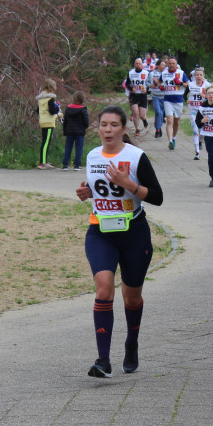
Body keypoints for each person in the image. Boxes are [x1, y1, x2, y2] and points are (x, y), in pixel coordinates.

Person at [76, 105, 164, 378]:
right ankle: (103, 360)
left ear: (124, 129)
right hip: (100, 231)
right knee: (104, 289)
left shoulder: (136, 157)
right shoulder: (92, 155)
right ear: (98, 128)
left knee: (132, 297)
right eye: (104, 124)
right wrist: (86, 192)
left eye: (114, 125)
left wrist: (129, 184)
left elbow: (158, 197)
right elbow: (99, 189)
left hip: (134, 234)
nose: (108, 130)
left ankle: (132, 342)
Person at [158, 58, 186, 150]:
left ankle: (174, 138)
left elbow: (188, 84)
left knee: (176, 121)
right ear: (167, 64)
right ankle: (170, 141)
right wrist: (161, 87)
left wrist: (180, 83)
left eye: (173, 63)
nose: (171, 65)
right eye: (169, 63)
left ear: (176, 64)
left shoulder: (181, 73)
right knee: (169, 120)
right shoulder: (164, 73)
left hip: (178, 100)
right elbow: (159, 82)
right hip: (167, 99)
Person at [186, 67, 211, 161]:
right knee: (195, 130)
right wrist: (187, 100)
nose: (199, 76)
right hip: (194, 111)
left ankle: (200, 140)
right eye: (197, 75)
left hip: (204, 112)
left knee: (202, 131)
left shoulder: (207, 85)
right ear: (194, 76)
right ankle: (197, 152)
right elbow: (184, 95)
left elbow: (212, 98)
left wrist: (205, 96)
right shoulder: (190, 85)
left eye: (201, 75)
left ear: (203, 76)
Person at [61, 91, 90, 170]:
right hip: (80, 132)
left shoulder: (68, 108)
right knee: (79, 148)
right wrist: (84, 127)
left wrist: (65, 131)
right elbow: (86, 122)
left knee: (68, 148)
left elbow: (65, 121)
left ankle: (65, 165)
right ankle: (76, 165)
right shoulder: (83, 110)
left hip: (69, 131)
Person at [36, 78, 61, 169]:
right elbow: (52, 111)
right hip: (49, 122)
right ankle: (42, 163)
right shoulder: (51, 98)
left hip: (42, 121)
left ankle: (45, 161)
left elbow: (38, 110)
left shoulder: (41, 99)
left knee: (45, 141)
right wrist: (57, 106)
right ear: (52, 87)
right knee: (46, 142)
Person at [126, 59, 150, 137]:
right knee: (135, 113)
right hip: (134, 95)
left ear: (142, 65)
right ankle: (137, 129)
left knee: (142, 115)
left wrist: (146, 89)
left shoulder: (146, 73)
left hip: (143, 95)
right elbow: (127, 84)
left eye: (139, 63)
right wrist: (131, 89)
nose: (138, 65)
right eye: (136, 63)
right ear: (134, 64)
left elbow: (150, 84)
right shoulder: (130, 73)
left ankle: (144, 120)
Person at [149, 58, 165, 138]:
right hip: (155, 95)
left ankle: (158, 127)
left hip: (164, 96)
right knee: (158, 112)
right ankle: (158, 129)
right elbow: (147, 82)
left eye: (164, 65)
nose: (163, 66)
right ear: (158, 65)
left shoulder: (166, 74)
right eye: (162, 64)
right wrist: (150, 85)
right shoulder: (152, 73)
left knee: (160, 114)